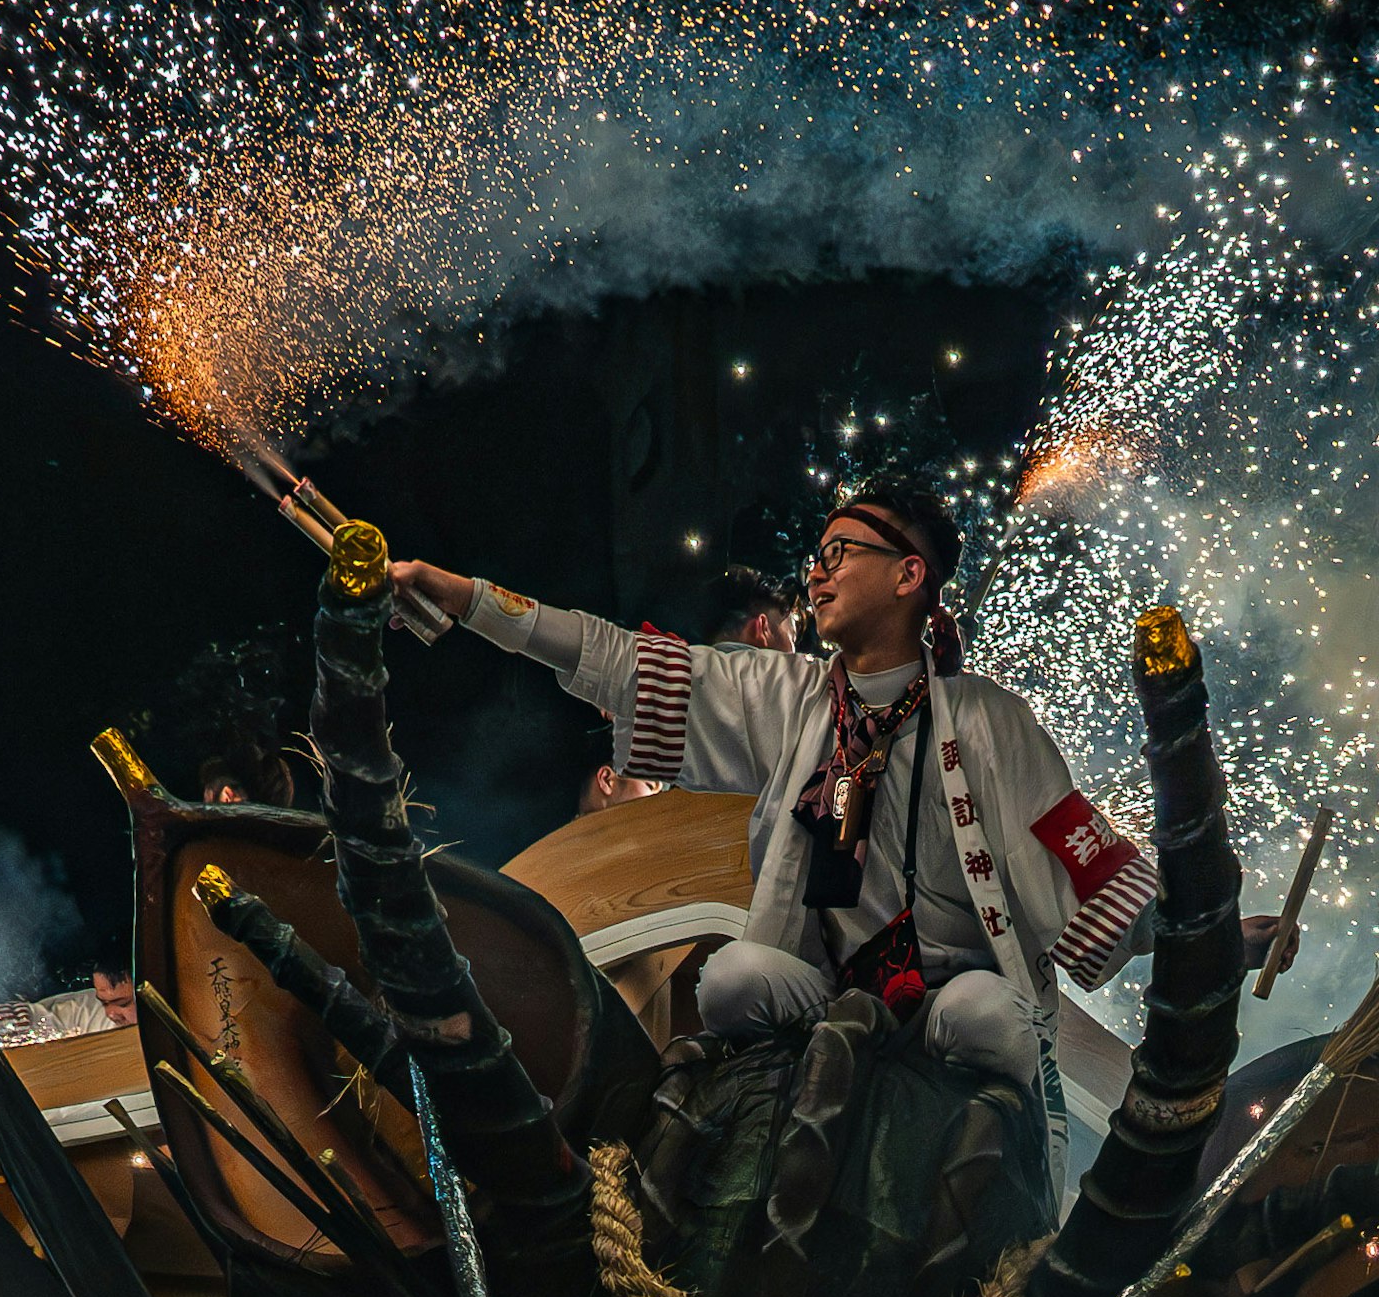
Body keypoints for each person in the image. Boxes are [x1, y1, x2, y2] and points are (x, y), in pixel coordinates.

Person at [386, 477, 1236, 1124]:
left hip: (951, 997)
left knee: (991, 1017)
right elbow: (611, 656)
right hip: (821, 989)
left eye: (839, 555)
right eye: (816, 557)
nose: (816, 574)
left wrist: (1208, 930)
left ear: (910, 575)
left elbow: (1086, 856)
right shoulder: (786, 698)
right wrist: (466, 599)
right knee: (732, 979)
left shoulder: (990, 721)